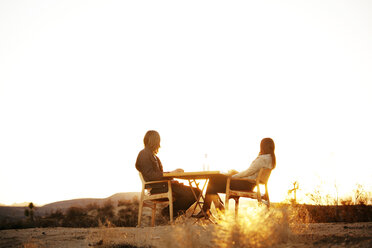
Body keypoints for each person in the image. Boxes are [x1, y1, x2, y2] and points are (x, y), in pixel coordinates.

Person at [196, 137, 276, 217]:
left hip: (245, 184)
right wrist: (236, 173)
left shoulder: (262, 159)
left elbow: (248, 172)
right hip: (249, 184)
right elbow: (251, 173)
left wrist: (233, 176)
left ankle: (210, 210)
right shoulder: (270, 159)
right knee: (213, 185)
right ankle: (213, 210)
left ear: (263, 146)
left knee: (214, 179)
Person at [135, 130, 201, 219]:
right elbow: (151, 175)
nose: (159, 144)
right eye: (158, 141)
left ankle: (171, 214)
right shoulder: (144, 154)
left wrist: (172, 174)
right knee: (195, 192)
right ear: (154, 141)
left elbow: (158, 174)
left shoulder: (153, 156)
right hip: (158, 188)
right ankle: (167, 213)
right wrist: (171, 174)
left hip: (163, 185)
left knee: (196, 191)